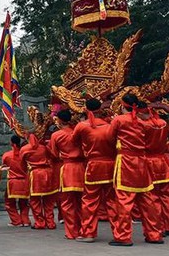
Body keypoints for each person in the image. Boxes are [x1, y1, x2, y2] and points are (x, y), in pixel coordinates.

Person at [107, 94, 164, 246]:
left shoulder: (118, 120)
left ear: (122, 105)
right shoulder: (144, 122)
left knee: (124, 200)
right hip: (142, 162)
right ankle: (154, 235)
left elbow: (109, 138)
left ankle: (123, 237)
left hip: (126, 161)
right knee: (147, 199)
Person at [71, 99, 117, 243]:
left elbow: (73, 141)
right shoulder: (109, 125)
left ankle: (88, 233)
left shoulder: (82, 126)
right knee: (112, 200)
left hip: (93, 166)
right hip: (110, 165)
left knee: (90, 200)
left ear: (86, 109)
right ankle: (119, 233)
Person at [48, 109, 84, 240]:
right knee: (82, 201)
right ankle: (84, 230)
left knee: (67, 203)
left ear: (59, 120)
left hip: (68, 168)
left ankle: (71, 232)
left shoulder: (56, 135)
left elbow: (53, 154)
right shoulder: (79, 132)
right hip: (82, 168)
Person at [145, 106, 169, 237]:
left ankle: (158, 227)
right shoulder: (163, 123)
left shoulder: (144, 125)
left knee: (153, 197)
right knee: (167, 197)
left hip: (149, 162)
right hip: (163, 162)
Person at [18, 133, 58, 230]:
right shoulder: (43, 147)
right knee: (49, 199)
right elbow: (53, 156)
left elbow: (22, 165)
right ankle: (50, 222)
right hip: (47, 173)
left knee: (35, 200)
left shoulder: (24, 149)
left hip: (35, 174)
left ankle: (40, 222)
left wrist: (26, 172)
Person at [1, 134, 30, 227]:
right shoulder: (25, 154)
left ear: (11, 143)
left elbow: (4, 166)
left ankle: (16, 221)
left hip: (13, 182)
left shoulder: (6, 155)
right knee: (24, 203)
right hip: (24, 181)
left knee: (9, 202)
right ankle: (25, 220)